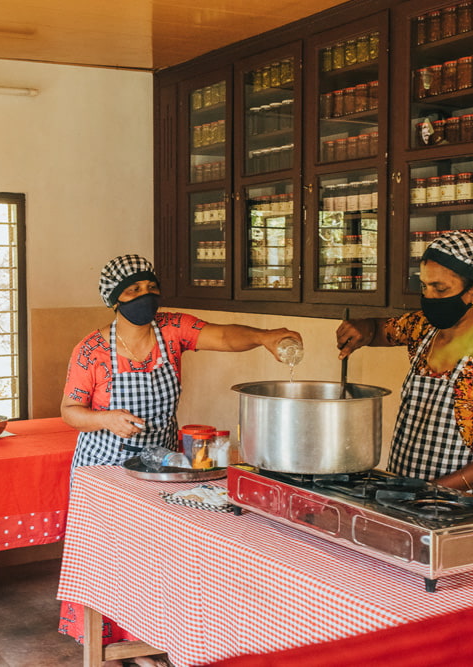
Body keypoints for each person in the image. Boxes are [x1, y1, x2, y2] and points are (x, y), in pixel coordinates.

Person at [58, 254, 300, 665]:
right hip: (104, 470)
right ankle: (106, 644)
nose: (145, 297)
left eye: (150, 287)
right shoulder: (92, 350)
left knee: (154, 555)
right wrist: (107, 419)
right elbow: (69, 410)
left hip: (162, 468)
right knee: (112, 558)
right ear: (114, 299)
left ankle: (149, 637)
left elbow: (223, 336)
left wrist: (263, 336)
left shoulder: (171, 329)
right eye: (133, 291)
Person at [336, 231, 473, 498]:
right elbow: (378, 330)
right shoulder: (420, 330)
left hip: (460, 504)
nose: (429, 297)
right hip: (403, 491)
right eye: (424, 287)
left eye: (440, 289)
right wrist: (361, 330)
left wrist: (434, 491)